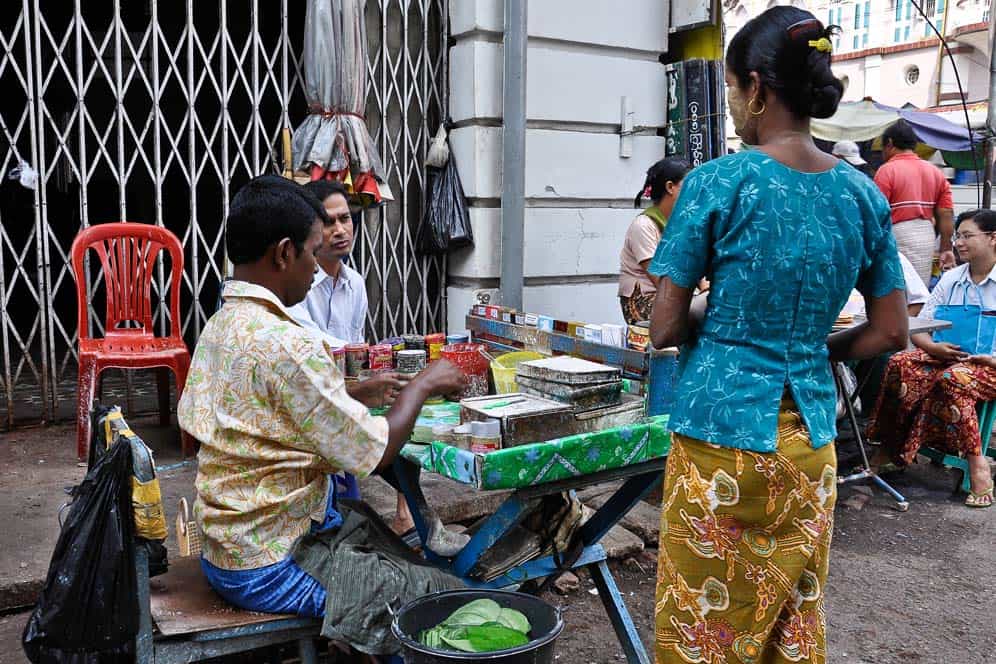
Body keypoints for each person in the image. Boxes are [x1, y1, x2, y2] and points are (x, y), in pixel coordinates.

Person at [647, 8, 908, 661]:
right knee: (788, 628)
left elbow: (664, 328)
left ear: (757, 87)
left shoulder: (717, 184)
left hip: (718, 446)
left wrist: (717, 315)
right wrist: (815, 349)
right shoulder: (863, 196)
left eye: (734, 88)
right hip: (810, 451)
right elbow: (889, 330)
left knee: (701, 631)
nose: (733, 104)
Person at [177, 176, 466, 655]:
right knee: (434, 600)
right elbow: (374, 452)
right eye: (313, 252)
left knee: (393, 550)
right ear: (284, 253)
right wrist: (424, 383)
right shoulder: (289, 345)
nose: (317, 268)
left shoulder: (221, 324)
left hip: (227, 544)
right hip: (269, 563)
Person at [288, 179, 414, 535]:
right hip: (313, 393)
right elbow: (316, 345)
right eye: (329, 222)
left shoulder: (355, 283)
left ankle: (407, 513)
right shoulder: (297, 284)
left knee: (405, 409)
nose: (340, 230)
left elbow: (355, 345)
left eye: (346, 219)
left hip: (348, 386)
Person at [867, 209, 996, 508]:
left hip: (988, 366)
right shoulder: (951, 279)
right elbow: (921, 327)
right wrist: (933, 348)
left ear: (992, 238)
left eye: (966, 236)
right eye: (957, 237)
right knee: (900, 363)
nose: (959, 243)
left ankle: (977, 464)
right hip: (950, 358)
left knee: (954, 379)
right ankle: (890, 445)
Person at [874, 119, 955, 285]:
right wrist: (946, 248)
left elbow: (877, 213)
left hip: (897, 234)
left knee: (893, 288)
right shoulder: (935, 171)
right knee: (919, 289)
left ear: (889, 143)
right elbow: (946, 213)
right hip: (926, 236)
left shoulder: (887, 170)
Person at [619, 158, 691, 325]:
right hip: (645, 301)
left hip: (674, 296)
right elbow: (658, 278)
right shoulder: (643, 225)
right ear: (670, 187)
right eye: (689, 185)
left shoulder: (683, 222)